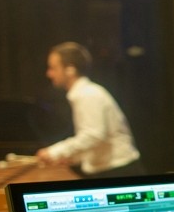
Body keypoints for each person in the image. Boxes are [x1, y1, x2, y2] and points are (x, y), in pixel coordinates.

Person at [36, 42, 144, 177]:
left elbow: (93, 135)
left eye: (53, 68)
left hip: (118, 171)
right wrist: (73, 157)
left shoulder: (88, 94)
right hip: (110, 169)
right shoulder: (84, 93)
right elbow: (95, 140)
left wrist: (54, 152)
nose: (49, 74)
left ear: (70, 70)